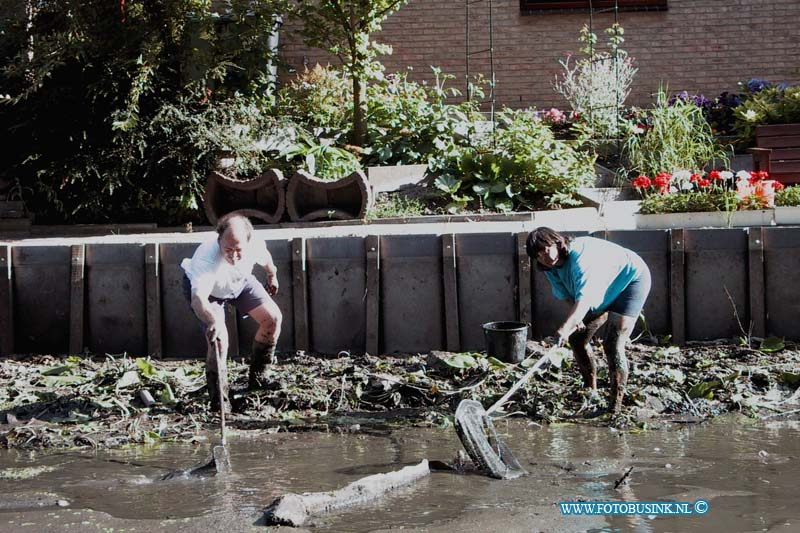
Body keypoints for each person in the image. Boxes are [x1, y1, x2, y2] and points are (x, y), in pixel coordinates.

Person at [526, 227, 651, 414]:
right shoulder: (549, 268)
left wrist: (565, 327)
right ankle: (590, 391)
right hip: (601, 291)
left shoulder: (579, 257)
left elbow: (584, 299)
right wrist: (576, 321)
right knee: (577, 339)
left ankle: (614, 407)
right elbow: (568, 296)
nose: (544, 256)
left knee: (613, 344)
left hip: (629, 281)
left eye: (546, 249)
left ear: (557, 242)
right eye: (538, 255)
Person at [181, 213, 282, 412]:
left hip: (239, 282)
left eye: (239, 250)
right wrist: (212, 321)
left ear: (248, 242)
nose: (234, 256)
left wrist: (272, 276)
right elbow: (198, 298)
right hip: (210, 294)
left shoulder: (255, 245)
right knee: (219, 341)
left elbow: (267, 261)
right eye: (228, 249)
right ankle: (219, 399)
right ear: (218, 240)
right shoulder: (207, 258)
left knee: (273, 318)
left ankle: (259, 377)